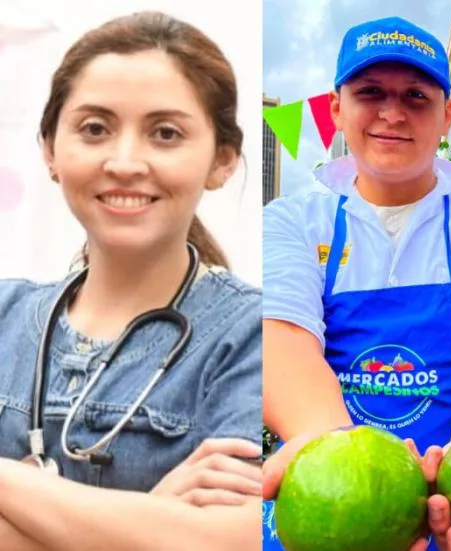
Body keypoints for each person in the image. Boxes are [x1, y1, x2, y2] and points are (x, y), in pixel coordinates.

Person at [260, 15, 451, 551]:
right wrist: (341, 463)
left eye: (416, 97)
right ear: (337, 108)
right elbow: (282, 337)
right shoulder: (291, 221)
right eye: (370, 92)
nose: (392, 112)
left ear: (448, 115)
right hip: (328, 511)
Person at [0, 11, 262, 550]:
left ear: (223, 160)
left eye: (165, 134)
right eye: (95, 129)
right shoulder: (4, 314)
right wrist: (150, 520)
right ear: (50, 148)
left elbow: (225, 542)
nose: (124, 162)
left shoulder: (253, 336)